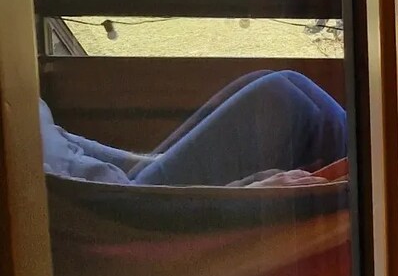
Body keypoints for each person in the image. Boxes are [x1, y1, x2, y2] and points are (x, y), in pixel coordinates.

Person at [40, 70, 345, 187]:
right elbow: (74, 192)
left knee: (283, 82)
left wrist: (154, 162)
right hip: (129, 209)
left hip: (119, 187)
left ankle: (375, 158)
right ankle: (380, 172)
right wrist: (246, 192)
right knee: (278, 97)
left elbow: (63, 143)